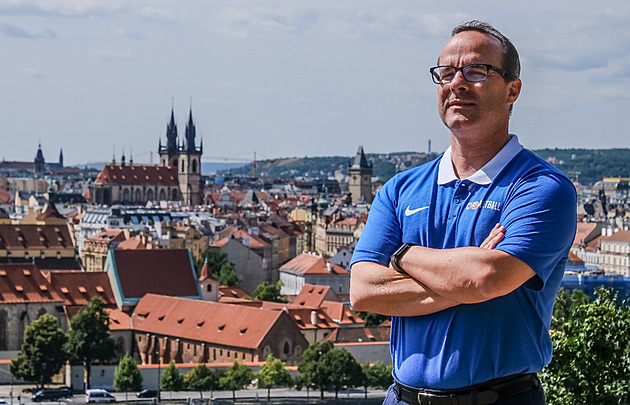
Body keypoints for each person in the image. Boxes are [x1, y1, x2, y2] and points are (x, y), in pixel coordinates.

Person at [349, 20, 577, 405]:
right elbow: (363, 291)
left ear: (512, 90)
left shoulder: (541, 187)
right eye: (446, 73)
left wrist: (402, 255)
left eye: (476, 71)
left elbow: (486, 276)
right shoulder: (399, 189)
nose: (456, 83)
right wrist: (464, 279)